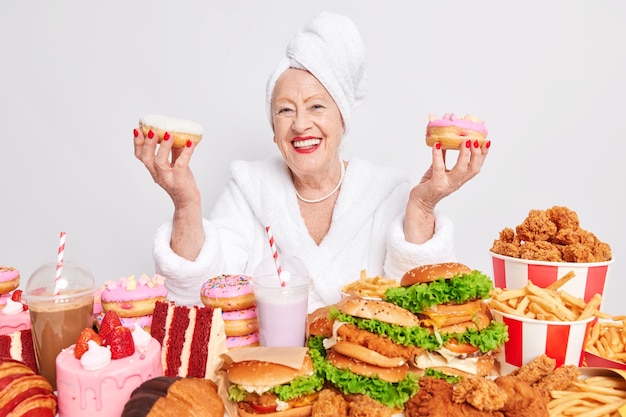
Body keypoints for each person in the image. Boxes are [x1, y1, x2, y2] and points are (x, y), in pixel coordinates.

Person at [133, 12, 490, 313]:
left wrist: (423, 206)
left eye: (317, 106)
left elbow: (419, 305)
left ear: (341, 119)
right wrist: (186, 203)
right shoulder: (249, 188)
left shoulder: (386, 191)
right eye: (285, 110)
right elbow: (201, 291)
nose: (301, 124)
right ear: (274, 132)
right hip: (272, 377)